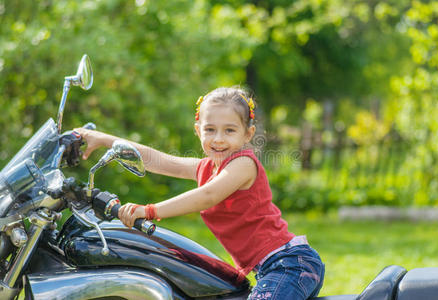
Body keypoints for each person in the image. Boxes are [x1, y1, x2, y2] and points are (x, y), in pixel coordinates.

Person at [75, 86, 325, 299]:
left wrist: (149, 210)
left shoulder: (243, 164)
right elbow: (156, 159)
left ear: (247, 134)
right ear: (198, 130)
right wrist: (103, 139)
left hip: (289, 265)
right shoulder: (206, 168)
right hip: (271, 268)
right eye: (210, 130)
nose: (218, 139)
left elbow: (208, 196)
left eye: (229, 130)